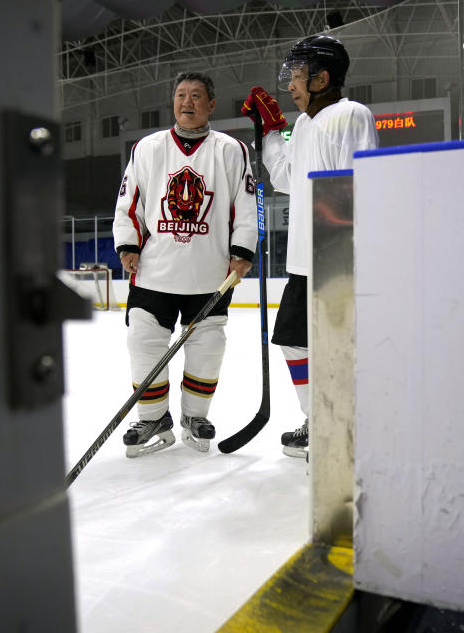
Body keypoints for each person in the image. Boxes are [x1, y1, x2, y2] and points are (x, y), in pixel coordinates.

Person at [242, 35, 379, 458]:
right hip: (303, 260)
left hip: (337, 257)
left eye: (297, 76)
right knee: (292, 339)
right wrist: (271, 131)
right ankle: (318, 419)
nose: (290, 86)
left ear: (322, 78)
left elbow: (361, 181)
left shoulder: (350, 115)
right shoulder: (302, 125)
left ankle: (349, 425)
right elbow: (285, 177)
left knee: (342, 349)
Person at [114, 72, 257, 457]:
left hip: (210, 274)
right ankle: (152, 417)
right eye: (180, 95)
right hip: (154, 272)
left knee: (208, 347)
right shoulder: (148, 148)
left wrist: (242, 252)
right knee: (143, 342)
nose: (186, 101)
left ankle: (195, 416)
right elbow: (128, 203)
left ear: (211, 104)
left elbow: (245, 206)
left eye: (196, 95)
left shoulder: (230, 150)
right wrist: (127, 244)